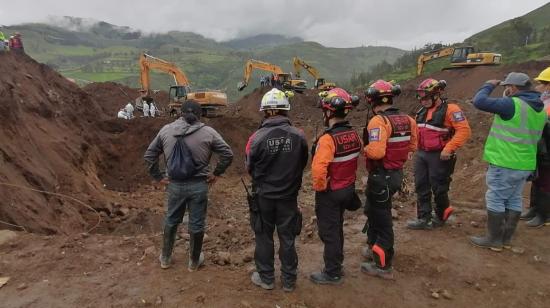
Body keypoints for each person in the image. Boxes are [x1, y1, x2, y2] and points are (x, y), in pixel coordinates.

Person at [144, 100, 233, 270]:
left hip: (174, 185)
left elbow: (149, 156)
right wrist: (216, 173)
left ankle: (165, 258)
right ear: (200, 115)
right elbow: (228, 154)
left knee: (171, 220)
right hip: (199, 185)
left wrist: (158, 177)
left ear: (180, 113)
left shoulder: (166, 130)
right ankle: (193, 261)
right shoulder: (209, 132)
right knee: (197, 223)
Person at [470, 72, 546, 251]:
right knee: (514, 198)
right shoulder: (539, 108)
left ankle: (493, 239)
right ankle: (506, 238)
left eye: (507, 88)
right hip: (525, 163)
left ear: (513, 87)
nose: (506, 91)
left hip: (505, 161)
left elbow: (479, 101)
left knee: (495, 197)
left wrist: (488, 85)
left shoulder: (512, 104)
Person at [245, 88, 308, 292]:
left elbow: (249, 167)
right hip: (288, 197)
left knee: (263, 237)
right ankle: (289, 281)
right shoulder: (299, 136)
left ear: (265, 111)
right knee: (287, 238)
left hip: (263, 197)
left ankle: (267, 278)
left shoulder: (255, 138)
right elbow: (302, 162)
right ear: (285, 110)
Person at [361, 80, 417, 280]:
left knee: (382, 218)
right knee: (374, 211)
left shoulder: (378, 122)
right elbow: (412, 146)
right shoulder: (408, 119)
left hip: (381, 176)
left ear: (373, 100)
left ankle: (383, 265)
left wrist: (364, 148)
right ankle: (373, 247)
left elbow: (376, 152)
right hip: (395, 174)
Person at [309, 88, 361, 285]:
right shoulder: (354, 135)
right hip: (347, 189)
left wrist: (321, 189)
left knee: (329, 232)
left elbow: (319, 170)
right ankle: (337, 264)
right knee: (337, 228)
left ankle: (332, 273)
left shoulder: (327, 139)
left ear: (329, 112)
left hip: (330, 193)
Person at [407, 79, 471, 230]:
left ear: (437, 94)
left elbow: (464, 130)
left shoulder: (451, 109)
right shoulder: (421, 111)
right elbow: (417, 133)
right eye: (422, 98)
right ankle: (424, 218)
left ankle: (442, 212)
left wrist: (449, 148)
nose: (424, 101)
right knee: (421, 185)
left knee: (439, 187)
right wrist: (411, 149)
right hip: (422, 154)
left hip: (440, 155)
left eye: (427, 98)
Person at [522, 67, 550, 227]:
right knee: (537, 179)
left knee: (546, 181)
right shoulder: (543, 100)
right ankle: (534, 208)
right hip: (540, 146)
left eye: (542, 83)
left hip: (548, 149)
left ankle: (544, 215)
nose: (538, 86)